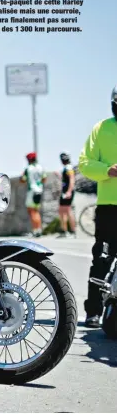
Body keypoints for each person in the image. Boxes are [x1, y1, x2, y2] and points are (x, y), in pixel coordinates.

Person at [79, 85, 117, 327]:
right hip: (109, 207)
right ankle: (93, 310)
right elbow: (84, 163)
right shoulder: (101, 128)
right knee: (102, 258)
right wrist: (107, 170)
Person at [20, 152, 47, 237]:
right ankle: (39, 229)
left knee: (31, 211)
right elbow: (44, 178)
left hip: (31, 190)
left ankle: (35, 231)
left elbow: (22, 179)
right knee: (36, 211)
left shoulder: (28, 168)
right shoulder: (40, 167)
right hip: (39, 190)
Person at [57, 152, 76, 238]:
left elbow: (72, 180)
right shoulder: (67, 168)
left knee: (67, 210)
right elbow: (66, 180)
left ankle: (72, 231)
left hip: (67, 191)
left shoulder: (69, 168)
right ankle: (65, 231)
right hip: (65, 191)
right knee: (62, 211)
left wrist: (69, 191)